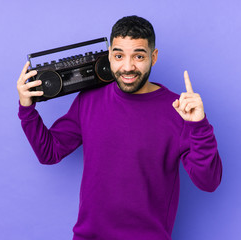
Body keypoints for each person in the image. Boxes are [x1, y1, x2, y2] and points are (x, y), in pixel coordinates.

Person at [17, 15, 222, 240]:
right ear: (109, 57)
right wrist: (27, 109)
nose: (127, 66)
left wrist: (199, 126)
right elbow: (49, 152)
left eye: (138, 56)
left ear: (153, 57)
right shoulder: (89, 100)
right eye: (119, 55)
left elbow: (208, 181)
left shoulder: (179, 109)